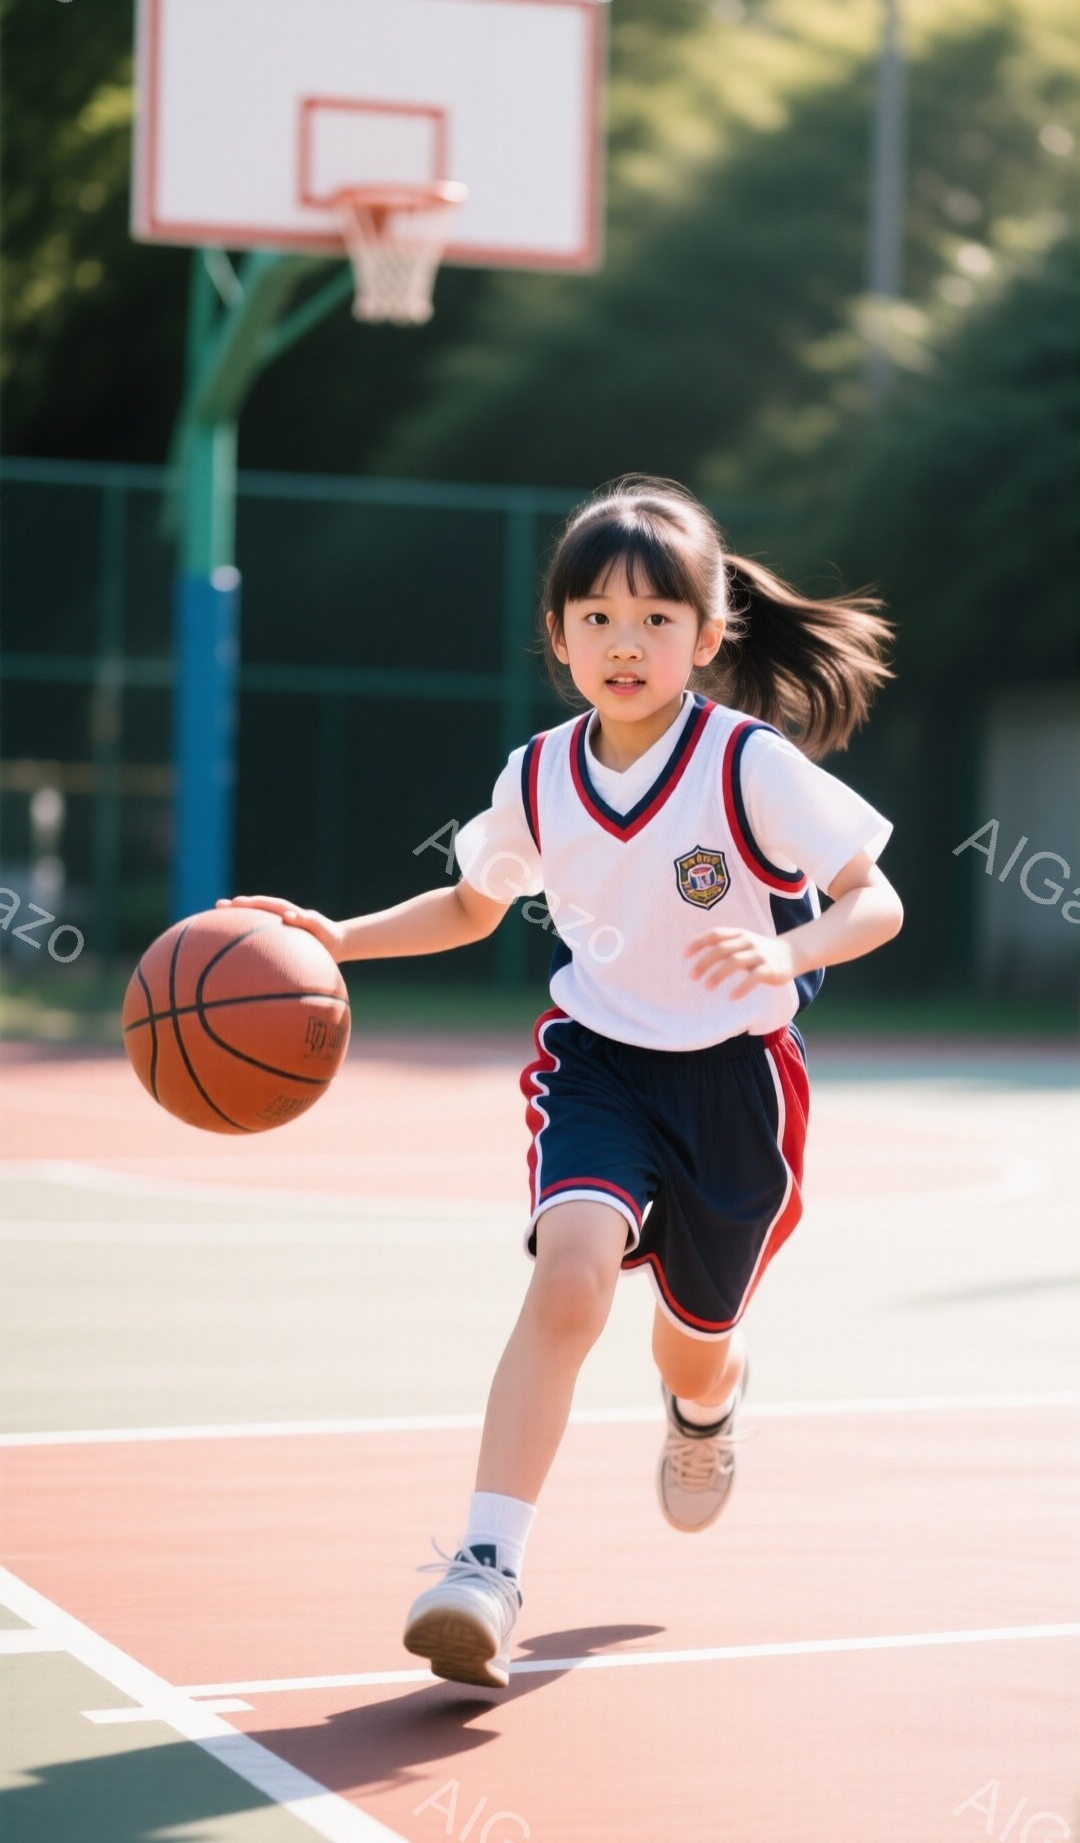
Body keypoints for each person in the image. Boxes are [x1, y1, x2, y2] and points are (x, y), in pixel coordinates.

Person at [218, 475, 904, 1693]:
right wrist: (334, 935)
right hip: (597, 1067)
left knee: (697, 1344)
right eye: (595, 618)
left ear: (707, 633)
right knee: (573, 1270)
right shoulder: (538, 775)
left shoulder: (747, 765)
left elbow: (875, 899)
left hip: (738, 1086)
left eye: (652, 618)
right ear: (559, 639)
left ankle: (705, 1408)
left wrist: (789, 948)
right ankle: (485, 1565)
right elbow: (472, 906)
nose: (623, 643)